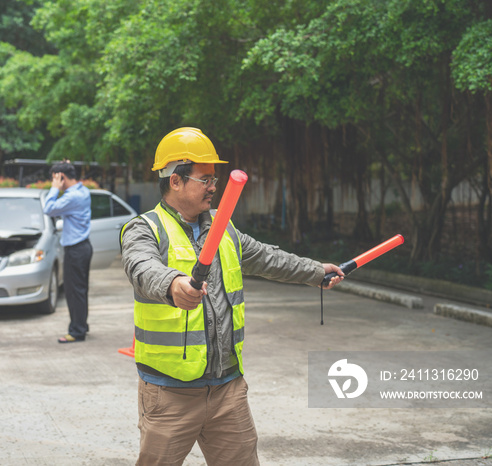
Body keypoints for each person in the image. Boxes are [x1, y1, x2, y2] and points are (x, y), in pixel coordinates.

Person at [120, 127, 344, 465]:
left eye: (215, 179)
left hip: (228, 389)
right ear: (175, 181)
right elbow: (141, 267)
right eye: (205, 178)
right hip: (169, 394)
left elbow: (269, 257)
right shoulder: (144, 229)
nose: (214, 186)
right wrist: (173, 284)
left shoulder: (224, 229)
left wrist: (315, 271)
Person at [43, 162, 93, 343]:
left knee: (74, 291)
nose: (54, 181)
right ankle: (82, 325)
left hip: (76, 250)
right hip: (83, 247)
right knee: (81, 290)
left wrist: (54, 188)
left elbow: (48, 208)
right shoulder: (83, 191)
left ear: (62, 177)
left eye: (56, 178)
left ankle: (77, 331)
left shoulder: (72, 198)